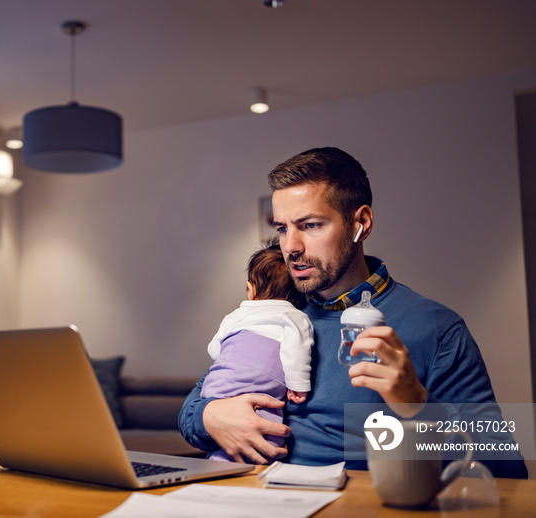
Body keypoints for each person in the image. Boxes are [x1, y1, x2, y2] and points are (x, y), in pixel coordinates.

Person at [179, 147, 527, 479]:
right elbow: (193, 406)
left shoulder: (437, 329)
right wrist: (211, 416)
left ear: (361, 223)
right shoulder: (279, 310)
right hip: (250, 499)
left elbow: (505, 471)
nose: (290, 247)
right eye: (283, 228)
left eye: (311, 225)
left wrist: (417, 405)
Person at [202, 239, 314, 461]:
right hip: (263, 382)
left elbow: (215, 349)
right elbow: (297, 351)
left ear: (250, 290)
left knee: (224, 438)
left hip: (217, 386)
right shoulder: (296, 317)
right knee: (264, 429)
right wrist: (298, 386)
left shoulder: (236, 315)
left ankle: (216, 462)